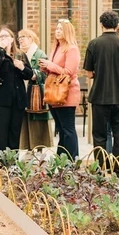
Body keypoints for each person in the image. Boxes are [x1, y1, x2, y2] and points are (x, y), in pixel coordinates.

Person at [84, 11, 119, 174]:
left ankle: (100, 168)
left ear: (102, 24)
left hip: (100, 96)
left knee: (100, 135)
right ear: (117, 25)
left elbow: (89, 73)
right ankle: (117, 169)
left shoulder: (94, 44)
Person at [0, 27, 33, 159]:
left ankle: (12, 163)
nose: (4, 39)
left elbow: (29, 75)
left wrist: (22, 67)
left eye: (6, 36)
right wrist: (1, 49)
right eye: (1, 37)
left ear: (12, 39)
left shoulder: (20, 55)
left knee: (14, 133)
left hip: (17, 101)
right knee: (0, 134)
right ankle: (2, 163)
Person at [39, 21, 80, 159]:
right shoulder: (56, 47)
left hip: (66, 93)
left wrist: (50, 65)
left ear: (67, 31)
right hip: (54, 92)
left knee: (68, 129)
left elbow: (68, 72)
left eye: (61, 29)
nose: (57, 31)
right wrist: (46, 68)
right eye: (56, 28)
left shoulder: (71, 48)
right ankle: (62, 157)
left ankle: (71, 158)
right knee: (61, 129)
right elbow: (56, 69)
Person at [17, 28, 52, 151]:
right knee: (25, 123)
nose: (20, 40)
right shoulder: (20, 54)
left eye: (23, 37)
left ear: (31, 38)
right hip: (23, 92)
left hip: (36, 93)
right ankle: (27, 149)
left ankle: (40, 150)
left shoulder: (39, 54)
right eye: (19, 38)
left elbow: (44, 75)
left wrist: (25, 70)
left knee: (37, 123)